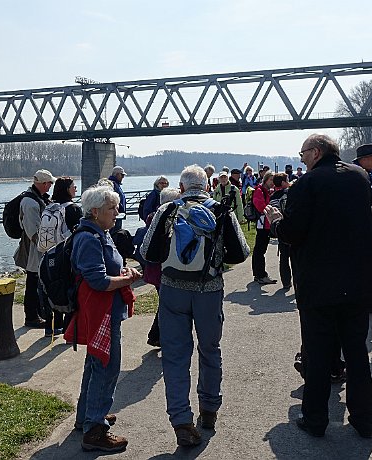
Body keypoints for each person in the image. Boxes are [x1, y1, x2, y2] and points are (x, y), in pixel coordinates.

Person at [267, 133, 372, 439]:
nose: (301, 158)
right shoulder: (359, 176)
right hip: (358, 281)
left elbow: (293, 232)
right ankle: (364, 419)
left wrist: (276, 221)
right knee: (356, 353)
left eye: (303, 153)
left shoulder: (309, 183)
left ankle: (315, 419)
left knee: (317, 355)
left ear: (315, 152)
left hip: (320, 284)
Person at [141, 165, 250, 447]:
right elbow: (240, 253)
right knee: (210, 349)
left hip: (173, 291)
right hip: (209, 291)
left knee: (175, 357)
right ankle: (209, 409)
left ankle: (181, 421)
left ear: (181, 187)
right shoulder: (219, 210)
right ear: (207, 186)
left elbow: (146, 252)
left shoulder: (167, 210)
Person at [65, 185, 141, 452]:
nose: (117, 211)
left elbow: (106, 267)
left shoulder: (100, 232)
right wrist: (127, 279)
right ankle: (95, 430)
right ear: (95, 212)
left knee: (96, 365)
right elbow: (97, 280)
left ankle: (87, 417)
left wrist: (122, 270)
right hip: (100, 312)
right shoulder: (89, 238)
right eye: (112, 208)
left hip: (105, 310)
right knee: (106, 367)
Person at [142, 187, 182, 348]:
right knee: (167, 304)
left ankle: (156, 336)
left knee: (165, 303)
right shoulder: (164, 218)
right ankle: (158, 336)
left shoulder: (153, 217)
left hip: (154, 268)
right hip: (161, 269)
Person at [42, 176, 82, 335]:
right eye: (73, 186)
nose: (76, 189)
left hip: (49, 254)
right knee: (70, 290)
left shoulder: (49, 207)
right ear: (67, 189)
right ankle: (69, 330)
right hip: (66, 255)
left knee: (52, 289)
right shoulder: (72, 208)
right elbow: (78, 234)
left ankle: (51, 328)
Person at [15, 169, 54, 328]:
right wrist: (46, 247)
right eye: (50, 183)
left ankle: (36, 313)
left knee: (34, 282)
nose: (51, 186)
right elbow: (34, 231)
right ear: (44, 184)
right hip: (35, 249)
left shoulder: (35, 199)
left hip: (36, 247)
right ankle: (31, 316)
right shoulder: (31, 202)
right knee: (32, 283)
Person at [252, 171, 277, 285]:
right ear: (266, 179)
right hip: (263, 224)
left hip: (266, 224)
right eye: (271, 180)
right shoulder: (259, 190)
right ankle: (260, 275)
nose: (272, 183)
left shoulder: (267, 191)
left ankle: (259, 274)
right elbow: (260, 206)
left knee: (260, 250)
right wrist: (271, 209)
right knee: (259, 250)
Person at [269, 173, 293, 289]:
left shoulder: (273, 196)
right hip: (292, 226)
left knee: (283, 257)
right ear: (283, 182)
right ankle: (298, 282)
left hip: (280, 227)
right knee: (295, 257)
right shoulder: (290, 193)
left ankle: (286, 282)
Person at [108, 166, 126, 233]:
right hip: (115, 215)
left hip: (118, 215)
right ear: (117, 174)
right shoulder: (112, 184)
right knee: (115, 233)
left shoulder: (116, 184)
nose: (123, 177)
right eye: (122, 175)